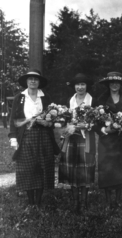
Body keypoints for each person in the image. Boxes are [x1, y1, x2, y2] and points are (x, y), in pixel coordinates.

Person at [8, 69, 60, 208]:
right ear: (26, 81)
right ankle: (31, 202)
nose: (32, 81)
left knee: (42, 166)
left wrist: (48, 122)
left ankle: (38, 201)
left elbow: (54, 118)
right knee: (28, 168)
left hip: (43, 136)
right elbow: (13, 119)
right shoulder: (20, 97)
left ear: (39, 82)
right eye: (30, 79)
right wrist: (13, 138)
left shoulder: (45, 97)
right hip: (26, 136)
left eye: (35, 79)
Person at [96, 72, 122, 209]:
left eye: (117, 82)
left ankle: (118, 200)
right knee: (107, 170)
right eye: (111, 82)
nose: (114, 85)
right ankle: (108, 201)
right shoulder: (101, 99)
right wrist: (105, 130)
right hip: (107, 140)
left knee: (120, 168)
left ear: (121, 85)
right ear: (108, 84)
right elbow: (95, 121)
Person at [58, 73, 96, 212]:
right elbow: (63, 119)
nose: (80, 87)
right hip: (71, 138)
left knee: (84, 170)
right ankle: (75, 202)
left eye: (83, 84)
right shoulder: (69, 100)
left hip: (86, 138)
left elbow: (97, 122)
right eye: (77, 84)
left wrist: (86, 125)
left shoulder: (93, 101)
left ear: (87, 86)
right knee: (72, 169)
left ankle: (84, 202)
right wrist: (65, 126)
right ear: (74, 86)